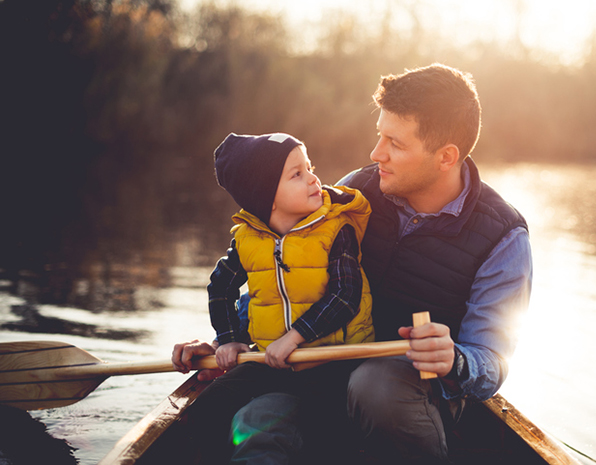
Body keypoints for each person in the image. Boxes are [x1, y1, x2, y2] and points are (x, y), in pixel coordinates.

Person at [174, 63, 533, 464]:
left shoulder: (504, 237)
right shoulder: (354, 194)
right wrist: (229, 342)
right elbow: (288, 275)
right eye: (380, 135)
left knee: (374, 383)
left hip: (411, 399)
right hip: (319, 373)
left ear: (446, 156)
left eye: (394, 143)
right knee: (255, 421)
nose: (376, 153)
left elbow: (492, 361)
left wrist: (456, 360)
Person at [172, 132, 374, 463]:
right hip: (275, 363)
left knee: (328, 435)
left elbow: (346, 295)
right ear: (267, 197)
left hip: (338, 362)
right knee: (208, 408)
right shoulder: (248, 240)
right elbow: (220, 288)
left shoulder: (336, 229)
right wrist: (229, 340)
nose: (313, 178)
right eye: (297, 173)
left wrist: (295, 337)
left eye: (309, 167)